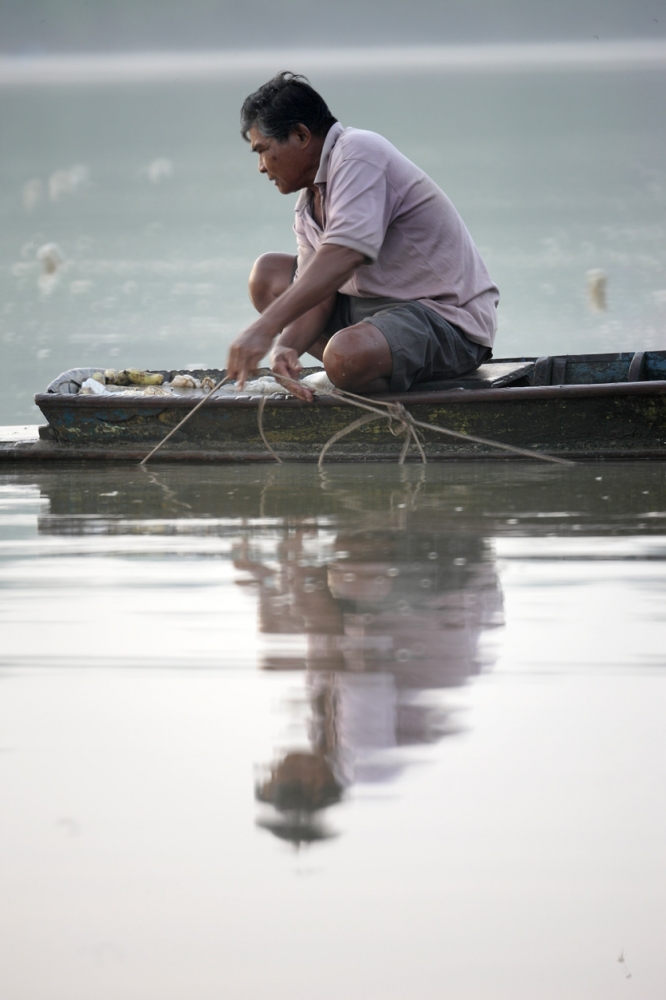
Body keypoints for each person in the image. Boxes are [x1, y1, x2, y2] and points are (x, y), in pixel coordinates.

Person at [226, 72, 499, 401]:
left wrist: (265, 328)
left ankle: (359, 368)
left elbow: (346, 252)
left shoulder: (358, 152)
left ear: (300, 135)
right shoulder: (309, 203)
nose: (261, 166)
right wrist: (286, 346)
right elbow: (320, 296)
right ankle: (359, 369)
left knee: (346, 355)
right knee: (268, 276)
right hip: (375, 314)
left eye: (263, 150)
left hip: (444, 320)